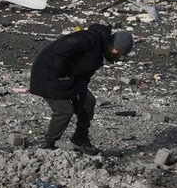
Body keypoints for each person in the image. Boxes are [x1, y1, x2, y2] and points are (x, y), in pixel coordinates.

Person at [29, 25, 133, 155]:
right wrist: (62, 75)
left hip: (69, 79)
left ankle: (80, 137)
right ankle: (47, 144)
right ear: (115, 48)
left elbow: (85, 77)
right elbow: (60, 50)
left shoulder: (99, 52)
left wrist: (80, 95)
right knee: (64, 110)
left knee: (88, 101)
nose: (116, 58)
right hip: (46, 75)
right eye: (118, 54)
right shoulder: (89, 39)